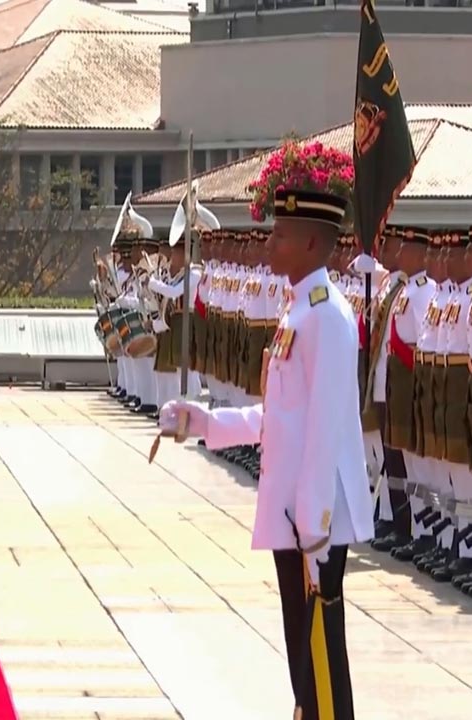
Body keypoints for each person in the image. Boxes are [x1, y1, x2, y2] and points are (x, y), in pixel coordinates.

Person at [157, 188, 371, 720]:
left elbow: (326, 425)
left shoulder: (328, 317)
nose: (270, 244)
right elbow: (280, 419)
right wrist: (204, 422)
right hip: (294, 511)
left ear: (312, 243)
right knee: (302, 654)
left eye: (280, 235)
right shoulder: (298, 311)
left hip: (310, 518)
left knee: (319, 654)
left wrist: (315, 515)